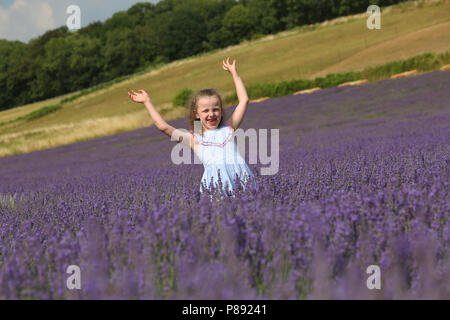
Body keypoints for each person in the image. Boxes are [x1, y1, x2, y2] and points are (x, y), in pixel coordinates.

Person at [128, 57, 256, 196]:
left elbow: (244, 100)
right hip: (217, 188)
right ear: (196, 114)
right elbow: (163, 127)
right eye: (205, 111)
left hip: (243, 180)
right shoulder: (194, 138)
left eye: (215, 109)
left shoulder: (229, 127)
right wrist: (147, 102)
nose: (211, 114)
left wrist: (234, 73)